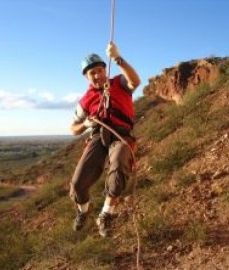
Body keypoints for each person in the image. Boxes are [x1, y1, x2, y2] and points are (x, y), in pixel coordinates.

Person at [69, 42, 140, 237]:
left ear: (105, 69)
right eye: (92, 73)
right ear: (86, 77)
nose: (98, 75)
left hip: (121, 135)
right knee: (77, 183)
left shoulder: (119, 83)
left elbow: (135, 82)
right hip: (97, 135)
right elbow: (73, 129)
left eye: (100, 70)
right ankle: (83, 211)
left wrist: (118, 58)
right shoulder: (85, 100)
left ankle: (106, 215)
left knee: (118, 166)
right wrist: (85, 125)